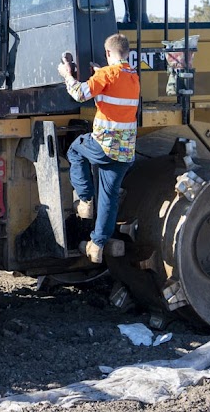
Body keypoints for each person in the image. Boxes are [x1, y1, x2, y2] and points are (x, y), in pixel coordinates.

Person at [57, 33, 140, 263]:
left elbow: (80, 93)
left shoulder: (106, 75)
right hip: (125, 152)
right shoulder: (133, 77)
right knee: (109, 196)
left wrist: (68, 75)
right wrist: (98, 73)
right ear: (127, 53)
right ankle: (97, 245)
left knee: (75, 150)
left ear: (108, 53)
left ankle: (84, 201)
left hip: (104, 145)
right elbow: (113, 90)